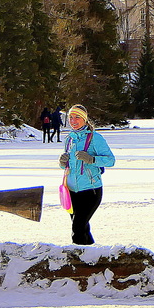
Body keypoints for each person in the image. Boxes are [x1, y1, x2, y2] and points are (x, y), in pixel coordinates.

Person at [57, 104, 115, 245]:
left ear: (84, 119)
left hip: (91, 191)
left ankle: (78, 260)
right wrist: (62, 162)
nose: (73, 120)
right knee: (83, 229)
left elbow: (110, 160)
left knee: (77, 228)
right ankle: (92, 259)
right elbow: (67, 165)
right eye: (71, 117)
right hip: (71, 191)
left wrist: (92, 159)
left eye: (77, 117)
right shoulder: (69, 139)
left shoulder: (95, 138)